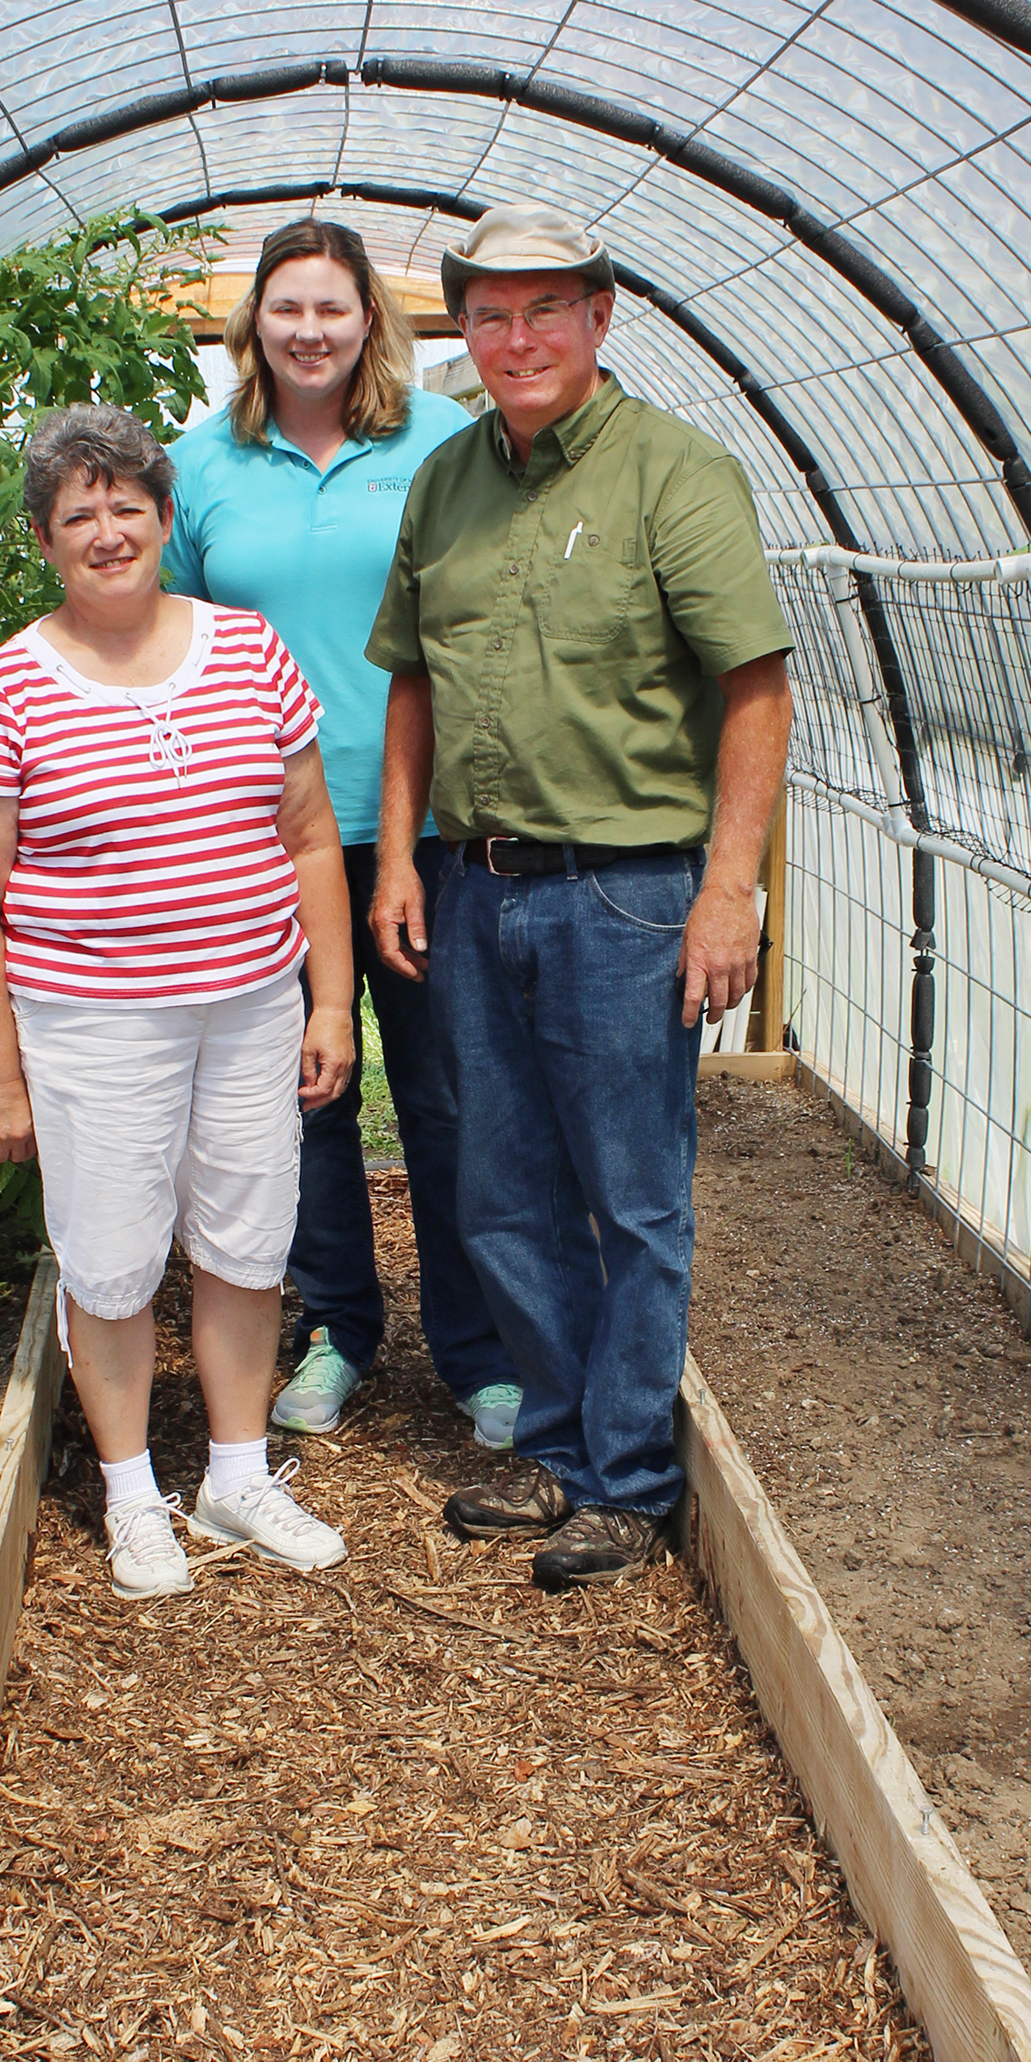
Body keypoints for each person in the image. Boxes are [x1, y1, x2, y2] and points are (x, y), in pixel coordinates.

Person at [367, 204, 794, 1591]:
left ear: (600, 318)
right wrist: (394, 859)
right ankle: (550, 1444)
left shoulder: (674, 475)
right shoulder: (446, 484)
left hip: (625, 896)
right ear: (463, 334)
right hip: (478, 886)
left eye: (544, 309)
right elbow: (412, 684)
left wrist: (728, 888)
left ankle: (626, 1477)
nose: (515, 339)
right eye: (488, 316)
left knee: (629, 1192)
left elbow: (755, 688)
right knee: (501, 1188)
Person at [0, 403, 358, 1601]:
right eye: (80, 514)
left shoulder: (248, 650)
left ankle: (236, 1474)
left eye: (129, 505)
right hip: (96, 1022)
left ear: (166, 519)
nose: (108, 531)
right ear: (44, 541)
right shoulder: (3, 689)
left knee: (245, 1244)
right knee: (110, 1262)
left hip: (249, 1007)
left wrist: (330, 1003)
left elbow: (311, 836)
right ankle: (131, 1496)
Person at [165, 218, 520, 1451]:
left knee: (447, 1095)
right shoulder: (201, 464)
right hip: (258, 839)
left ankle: (477, 1351)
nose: (308, 329)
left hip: (424, 833)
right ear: (250, 324)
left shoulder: (438, 443)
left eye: (332, 306)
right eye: (286, 308)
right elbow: (164, 640)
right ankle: (339, 1333)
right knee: (302, 1098)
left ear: (372, 319)